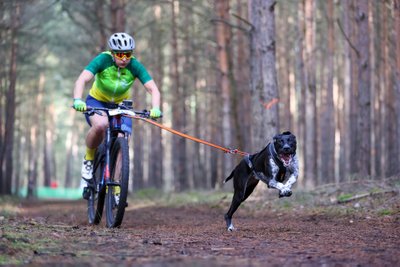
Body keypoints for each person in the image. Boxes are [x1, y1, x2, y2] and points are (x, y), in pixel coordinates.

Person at [72, 32, 162, 195]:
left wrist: (156, 107)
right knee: (101, 125)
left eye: (128, 54)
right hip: (96, 101)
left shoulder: (134, 65)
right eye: (120, 54)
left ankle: (115, 186)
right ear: (113, 54)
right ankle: (89, 159)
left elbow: (153, 89)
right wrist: (78, 100)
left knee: (123, 139)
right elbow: (82, 79)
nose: (124, 58)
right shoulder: (103, 60)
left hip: (120, 104)